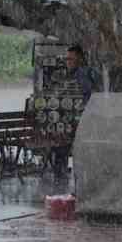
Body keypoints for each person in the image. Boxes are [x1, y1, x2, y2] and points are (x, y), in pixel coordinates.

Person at [51, 45, 98, 178]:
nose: (68, 62)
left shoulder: (82, 74)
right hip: (73, 121)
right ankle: (63, 179)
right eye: (67, 59)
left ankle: (62, 180)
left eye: (71, 59)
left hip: (78, 121)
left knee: (63, 148)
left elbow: (85, 96)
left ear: (80, 60)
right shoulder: (72, 74)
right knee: (62, 148)